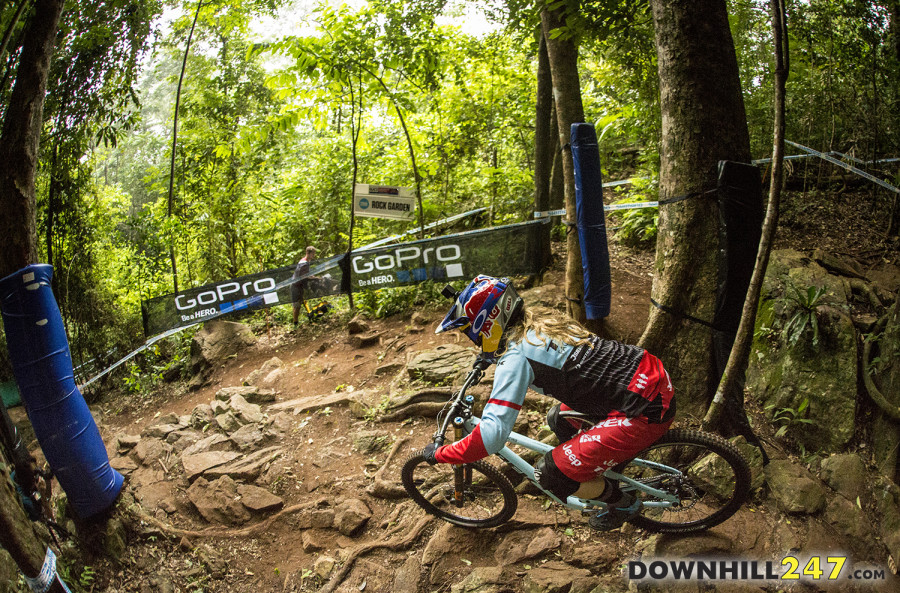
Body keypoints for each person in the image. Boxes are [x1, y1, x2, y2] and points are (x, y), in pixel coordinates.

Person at [423, 275, 676, 531]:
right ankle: (598, 468)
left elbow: (492, 435)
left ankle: (622, 503)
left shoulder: (516, 358)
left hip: (644, 409)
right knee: (559, 418)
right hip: (647, 376)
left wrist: (441, 454)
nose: (470, 336)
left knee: (549, 474)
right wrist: (488, 358)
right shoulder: (542, 321)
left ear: (486, 323)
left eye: (469, 329)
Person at [291, 246, 317, 326]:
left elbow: (306, 274)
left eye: (314, 254)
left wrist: (311, 276)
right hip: (295, 286)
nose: (314, 256)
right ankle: (295, 324)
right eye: (312, 254)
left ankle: (310, 318)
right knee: (296, 306)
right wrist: (314, 278)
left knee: (303, 302)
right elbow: (303, 276)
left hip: (300, 285)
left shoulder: (306, 262)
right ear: (307, 253)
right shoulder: (303, 263)